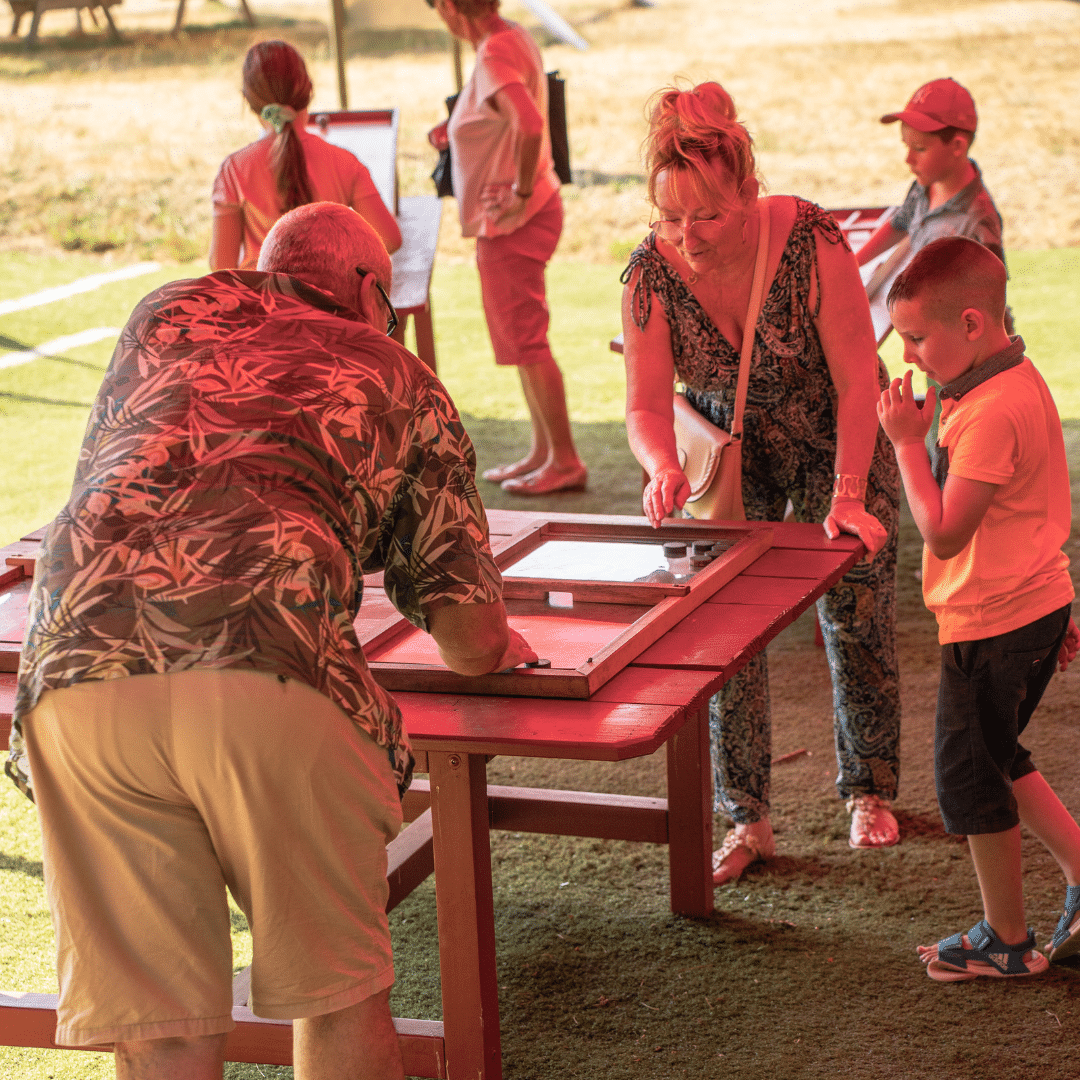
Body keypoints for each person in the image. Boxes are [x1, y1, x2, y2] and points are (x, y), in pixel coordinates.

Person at [6, 202, 535, 1078]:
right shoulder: (398, 371)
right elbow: (471, 638)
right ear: (370, 291)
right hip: (270, 664)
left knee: (163, 1032)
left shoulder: (162, 314)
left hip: (74, 664)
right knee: (335, 1000)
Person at [620, 82, 902, 884]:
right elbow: (642, 404)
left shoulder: (811, 237)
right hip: (728, 449)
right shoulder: (650, 272)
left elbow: (856, 380)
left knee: (857, 599)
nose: (688, 235)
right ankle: (749, 818)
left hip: (831, 431)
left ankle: (869, 789)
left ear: (749, 192)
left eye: (706, 215)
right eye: (670, 216)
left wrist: (847, 491)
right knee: (722, 627)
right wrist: (663, 464)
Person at [877, 236, 1079, 981]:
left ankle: (1008, 940)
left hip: (998, 622)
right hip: (1030, 605)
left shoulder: (988, 410)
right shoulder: (1012, 379)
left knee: (970, 775)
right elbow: (1033, 507)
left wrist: (904, 443)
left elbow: (945, 530)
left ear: (971, 324)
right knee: (998, 753)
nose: (911, 355)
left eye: (918, 337)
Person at [425, 0, 586, 495]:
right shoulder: (509, 35)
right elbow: (501, 116)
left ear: (452, 6)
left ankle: (565, 460)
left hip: (515, 221)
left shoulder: (493, 53)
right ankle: (544, 452)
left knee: (528, 341)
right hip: (526, 213)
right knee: (521, 340)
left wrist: (517, 191)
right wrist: (455, 134)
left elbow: (530, 123)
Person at [209, 39, 402, 270]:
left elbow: (221, 265)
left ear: (248, 100)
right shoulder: (343, 163)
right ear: (309, 90)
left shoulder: (234, 170)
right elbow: (389, 239)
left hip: (263, 304)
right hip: (328, 303)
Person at [855, 77, 1009, 341]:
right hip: (930, 333)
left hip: (962, 346)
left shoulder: (977, 222)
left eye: (920, 148)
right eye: (907, 146)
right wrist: (853, 263)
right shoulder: (923, 188)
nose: (908, 159)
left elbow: (991, 295)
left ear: (957, 146)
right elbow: (899, 224)